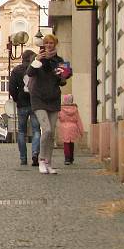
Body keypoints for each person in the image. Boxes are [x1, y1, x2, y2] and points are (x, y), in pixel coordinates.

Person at [25, 33, 72, 175]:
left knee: (51, 134)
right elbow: (30, 73)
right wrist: (37, 61)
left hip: (53, 98)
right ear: (43, 45)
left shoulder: (58, 60)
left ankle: (49, 163)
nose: (49, 45)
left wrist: (65, 75)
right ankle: (41, 160)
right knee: (47, 130)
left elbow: (61, 80)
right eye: (46, 43)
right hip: (38, 98)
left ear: (55, 44)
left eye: (51, 43)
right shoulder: (38, 58)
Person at [9, 49, 41, 166]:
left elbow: (11, 88)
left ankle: (23, 158)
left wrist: (17, 98)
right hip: (35, 102)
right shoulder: (36, 68)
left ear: (22, 57)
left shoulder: (16, 70)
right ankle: (35, 153)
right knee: (36, 130)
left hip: (22, 103)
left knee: (22, 132)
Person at [58, 94, 85, 165]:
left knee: (66, 143)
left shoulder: (61, 109)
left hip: (64, 128)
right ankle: (71, 157)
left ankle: (67, 158)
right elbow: (78, 120)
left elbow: (58, 117)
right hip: (73, 127)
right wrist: (81, 131)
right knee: (71, 143)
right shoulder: (75, 109)